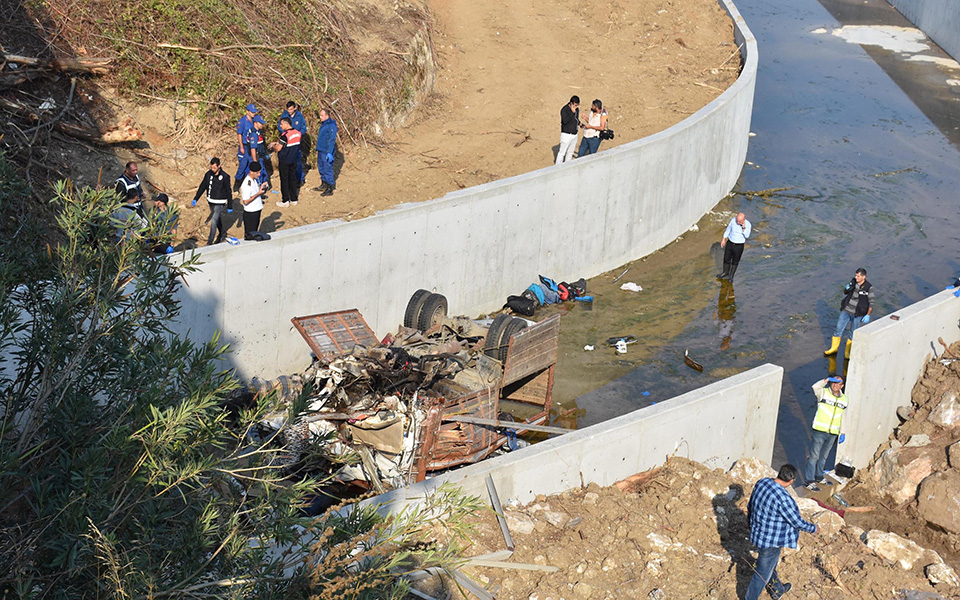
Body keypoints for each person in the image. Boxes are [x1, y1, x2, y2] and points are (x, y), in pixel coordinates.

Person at [745, 464, 818, 600]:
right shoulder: (783, 499)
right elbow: (796, 522)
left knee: (769, 565)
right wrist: (813, 528)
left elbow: (751, 505)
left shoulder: (762, 483)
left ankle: (777, 589)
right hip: (771, 541)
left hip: (757, 533)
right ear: (791, 481)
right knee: (761, 574)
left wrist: (749, 524)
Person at [805, 376, 848, 490]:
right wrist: (826, 380)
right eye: (833, 382)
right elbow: (815, 387)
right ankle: (809, 481)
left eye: (838, 383)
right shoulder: (823, 393)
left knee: (824, 456)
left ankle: (819, 477)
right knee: (814, 456)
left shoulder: (844, 399)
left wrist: (842, 432)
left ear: (842, 386)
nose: (835, 385)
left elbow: (843, 416)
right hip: (820, 430)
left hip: (833, 433)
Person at [824, 268, 874, 358]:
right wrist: (847, 288)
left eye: (858, 276)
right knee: (838, 329)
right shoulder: (853, 282)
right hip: (846, 311)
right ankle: (834, 349)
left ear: (863, 277)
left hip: (858, 314)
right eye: (855, 275)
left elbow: (871, 303)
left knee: (852, 333)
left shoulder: (869, 287)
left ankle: (847, 353)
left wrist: (868, 315)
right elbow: (845, 292)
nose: (856, 277)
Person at [191, 157, 232, 245]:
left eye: (214, 168)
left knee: (213, 221)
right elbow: (203, 186)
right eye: (211, 167)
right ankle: (222, 233)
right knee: (217, 219)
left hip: (220, 202)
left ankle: (210, 241)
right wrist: (196, 198)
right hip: (211, 201)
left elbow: (228, 191)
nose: (212, 169)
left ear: (219, 166)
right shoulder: (208, 174)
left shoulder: (225, 177)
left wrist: (230, 205)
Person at [273, 117, 302, 207]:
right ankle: (294, 199)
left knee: (284, 180)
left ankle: (285, 200)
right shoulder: (298, 133)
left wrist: (273, 146)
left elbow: (279, 148)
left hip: (285, 160)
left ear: (286, 124)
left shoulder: (284, 135)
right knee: (292, 178)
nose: (280, 126)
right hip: (294, 159)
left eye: (281, 124)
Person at [278, 101, 308, 184]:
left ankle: (299, 179)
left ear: (295, 108)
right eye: (288, 109)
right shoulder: (284, 115)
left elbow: (303, 128)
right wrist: (285, 134)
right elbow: (280, 126)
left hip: (296, 143)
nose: (289, 111)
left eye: (291, 109)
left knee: (298, 161)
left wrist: (297, 135)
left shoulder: (299, 116)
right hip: (287, 142)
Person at [716, 212, 751, 281]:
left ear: (743, 220)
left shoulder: (748, 224)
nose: (738, 222)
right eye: (737, 221)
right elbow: (728, 229)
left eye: (739, 221)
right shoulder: (733, 220)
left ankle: (731, 276)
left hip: (739, 246)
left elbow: (747, 236)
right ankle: (725, 272)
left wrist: (743, 228)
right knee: (726, 258)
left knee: (735, 261)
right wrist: (724, 239)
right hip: (730, 243)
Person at [239, 162, 268, 240]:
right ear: (251, 172)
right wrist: (258, 193)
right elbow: (246, 201)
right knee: (250, 235)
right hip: (251, 213)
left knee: (255, 233)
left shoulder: (254, 180)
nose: (259, 174)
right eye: (257, 173)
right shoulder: (247, 184)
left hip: (256, 210)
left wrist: (261, 188)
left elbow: (254, 192)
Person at [314, 107, 338, 196]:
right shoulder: (323, 124)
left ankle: (330, 187)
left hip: (326, 151)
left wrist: (330, 152)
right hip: (321, 150)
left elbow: (332, 140)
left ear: (327, 116)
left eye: (322, 115)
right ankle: (324, 184)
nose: (320, 117)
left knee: (327, 169)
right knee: (321, 168)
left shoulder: (331, 126)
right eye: (320, 115)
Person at [234, 103, 258, 191]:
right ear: (247, 111)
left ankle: (250, 186)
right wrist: (241, 147)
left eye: (254, 112)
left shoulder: (255, 121)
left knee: (250, 167)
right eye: (252, 112)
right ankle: (236, 185)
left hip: (252, 147)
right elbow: (239, 134)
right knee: (242, 167)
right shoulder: (242, 122)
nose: (253, 113)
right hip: (244, 146)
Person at [556, 96, 580, 164]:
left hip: (574, 134)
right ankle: (557, 167)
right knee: (562, 153)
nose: (576, 107)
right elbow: (565, 121)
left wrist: (580, 124)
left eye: (577, 105)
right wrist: (572, 113)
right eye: (575, 105)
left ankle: (567, 166)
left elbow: (575, 119)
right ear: (571, 103)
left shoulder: (577, 109)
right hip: (566, 134)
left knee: (570, 153)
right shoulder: (565, 109)